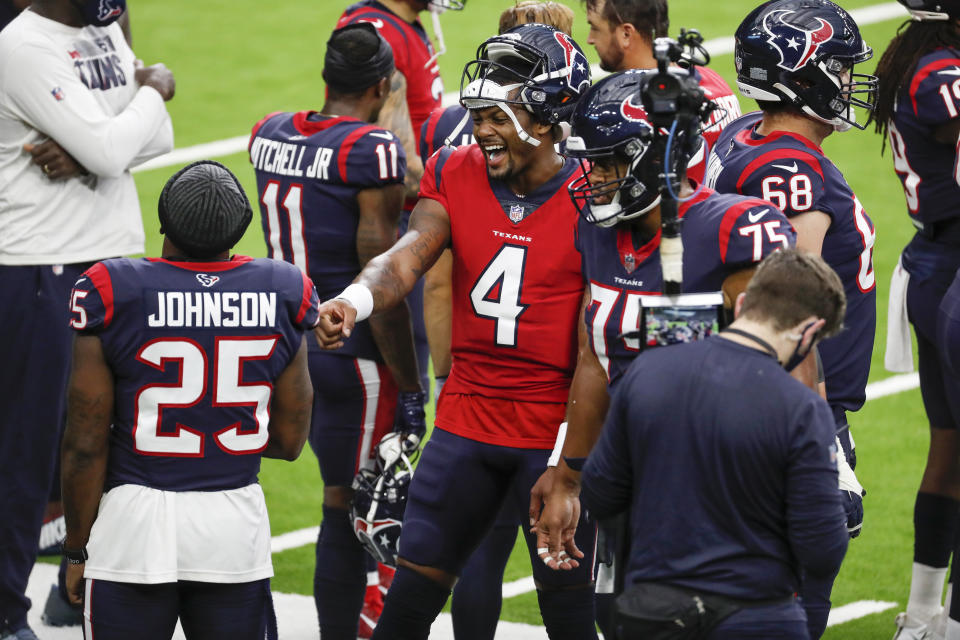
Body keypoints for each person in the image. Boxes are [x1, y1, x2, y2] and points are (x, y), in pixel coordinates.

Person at [315, 23, 599, 640]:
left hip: (553, 424)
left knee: (569, 609)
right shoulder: (455, 168)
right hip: (468, 414)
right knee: (409, 604)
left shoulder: (592, 189)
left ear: (549, 117)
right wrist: (356, 299)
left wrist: (572, 466)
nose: (481, 129)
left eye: (498, 114)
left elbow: (596, 347)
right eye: (477, 113)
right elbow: (409, 255)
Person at [530, 67, 797, 638]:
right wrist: (568, 474)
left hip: (724, 478)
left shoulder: (736, 229)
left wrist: (822, 461)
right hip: (636, 474)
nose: (592, 177)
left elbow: (787, 359)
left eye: (606, 162)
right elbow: (594, 359)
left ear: (654, 158)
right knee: (621, 618)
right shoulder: (600, 231)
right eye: (591, 161)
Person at [60, 160, 316, 640]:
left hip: (131, 524)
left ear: (163, 221)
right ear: (239, 230)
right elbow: (288, 439)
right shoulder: (283, 288)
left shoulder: (112, 288)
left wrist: (76, 549)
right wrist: (212, 432)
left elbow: (85, 440)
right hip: (232, 521)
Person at [0, 1, 174, 637]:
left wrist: (94, 148)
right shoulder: (23, 48)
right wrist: (152, 89)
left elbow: (153, 138)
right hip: (39, 266)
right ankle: (4, 609)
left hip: (107, 258)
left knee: (111, 439)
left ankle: (73, 592)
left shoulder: (98, 29)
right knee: (28, 448)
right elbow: (118, 140)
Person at [248, 23, 425, 640]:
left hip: (285, 344)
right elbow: (382, 280)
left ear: (328, 78)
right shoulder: (371, 149)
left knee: (334, 499)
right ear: (381, 85)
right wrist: (410, 383)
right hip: (350, 354)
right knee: (352, 511)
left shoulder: (267, 133)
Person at [704, 1, 876, 634]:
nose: (848, 79)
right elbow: (789, 309)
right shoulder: (788, 169)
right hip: (787, 402)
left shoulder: (747, 133)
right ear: (801, 77)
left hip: (757, 390)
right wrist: (822, 433)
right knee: (800, 580)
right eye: (837, 66)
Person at [581, 248, 849, 640]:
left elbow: (601, 494)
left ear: (742, 303)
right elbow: (822, 547)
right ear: (808, 333)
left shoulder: (646, 373)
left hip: (653, 610)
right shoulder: (802, 409)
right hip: (757, 614)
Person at [416, 4, 577, 638]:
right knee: (572, 582)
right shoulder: (594, 169)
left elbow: (436, 279)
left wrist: (447, 375)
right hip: (527, 413)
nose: (483, 125)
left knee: (501, 568)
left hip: (519, 413)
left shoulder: (590, 183)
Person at [873, 1, 960, 637]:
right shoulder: (940, 69)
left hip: (934, 262)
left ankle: (926, 612)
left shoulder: (922, 55)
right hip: (951, 266)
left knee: (950, 447)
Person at [337, 0, 467, 406]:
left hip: (412, 218)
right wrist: (466, 180)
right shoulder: (381, 32)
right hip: (397, 227)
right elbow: (388, 162)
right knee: (401, 381)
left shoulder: (404, 22)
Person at [581, 0, 741, 182]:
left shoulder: (630, 112)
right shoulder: (717, 83)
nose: (590, 39)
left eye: (594, 28)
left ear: (626, 33)